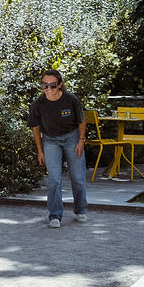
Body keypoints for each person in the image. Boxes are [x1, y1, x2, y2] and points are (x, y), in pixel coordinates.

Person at [27, 69, 87, 229]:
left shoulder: (71, 100)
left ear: (59, 85)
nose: (48, 89)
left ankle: (80, 210)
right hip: (50, 140)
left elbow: (82, 121)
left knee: (78, 177)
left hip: (72, 138)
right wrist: (40, 150)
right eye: (44, 85)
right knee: (54, 179)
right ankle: (55, 215)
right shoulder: (38, 104)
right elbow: (35, 128)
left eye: (52, 85)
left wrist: (81, 141)